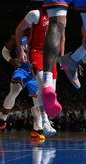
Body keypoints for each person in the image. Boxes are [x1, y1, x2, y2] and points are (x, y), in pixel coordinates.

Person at [14, 10, 58, 140]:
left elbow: (62, 37)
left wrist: (61, 57)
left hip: (52, 54)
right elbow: (18, 30)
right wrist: (21, 51)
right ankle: (45, 121)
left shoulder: (61, 15)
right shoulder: (36, 14)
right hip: (37, 52)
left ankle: (37, 111)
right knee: (42, 85)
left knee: (51, 91)